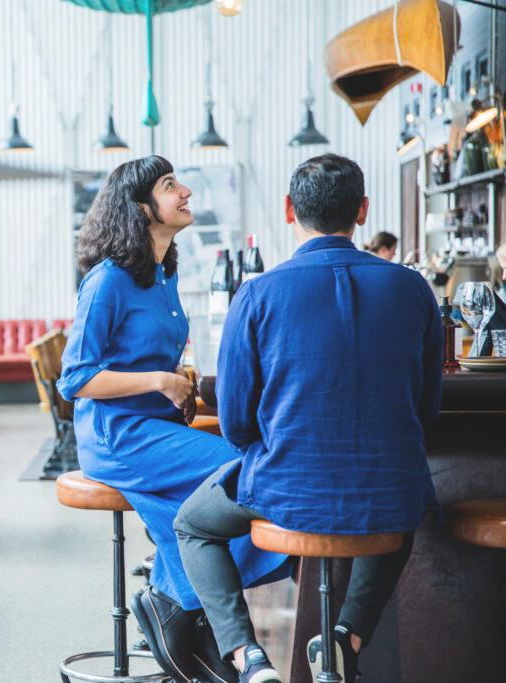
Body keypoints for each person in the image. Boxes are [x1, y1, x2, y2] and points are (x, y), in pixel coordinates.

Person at [173, 154, 442, 683]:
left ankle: (246, 657)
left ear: (289, 209)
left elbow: (235, 423)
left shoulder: (256, 294)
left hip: (285, 490)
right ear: (363, 211)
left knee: (191, 524)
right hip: (390, 489)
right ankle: (346, 637)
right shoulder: (413, 289)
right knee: (400, 511)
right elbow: (426, 409)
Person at [57, 156, 289, 683]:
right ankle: (176, 600)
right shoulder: (108, 281)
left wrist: (176, 377)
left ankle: (175, 600)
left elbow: (144, 354)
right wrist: (160, 382)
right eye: (169, 185)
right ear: (142, 208)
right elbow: (75, 379)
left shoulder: (163, 272)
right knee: (245, 472)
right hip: (115, 436)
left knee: (220, 493)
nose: (184, 191)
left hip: (154, 427)